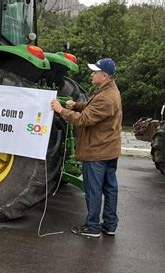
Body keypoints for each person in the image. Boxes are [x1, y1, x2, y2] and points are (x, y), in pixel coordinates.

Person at [50, 58, 122, 238]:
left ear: (104, 76)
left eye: (95, 72)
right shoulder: (110, 90)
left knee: (94, 190)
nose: (92, 74)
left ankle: (92, 227)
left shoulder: (106, 97)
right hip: (109, 150)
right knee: (110, 188)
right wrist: (77, 105)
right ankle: (110, 225)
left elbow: (83, 120)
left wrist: (61, 110)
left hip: (96, 151)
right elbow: (94, 109)